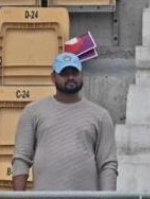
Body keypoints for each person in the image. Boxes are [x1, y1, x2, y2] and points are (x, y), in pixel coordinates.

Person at [12, 52, 118, 190]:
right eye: (64, 73)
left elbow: (107, 164)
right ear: (53, 77)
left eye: (75, 72)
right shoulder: (32, 112)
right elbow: (21, 159)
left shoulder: (101, 116)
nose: (71, 77)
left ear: (82, 75)